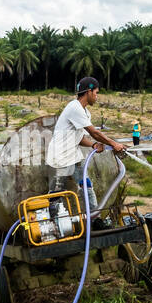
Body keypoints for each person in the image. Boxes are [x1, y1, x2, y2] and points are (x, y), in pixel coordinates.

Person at [46, 77, 126, 224]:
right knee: (56, 194)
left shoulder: (84, 112)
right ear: (88, 92)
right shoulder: (74, 107)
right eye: (96, 92)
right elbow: (94, 132)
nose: (97, 96)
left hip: (74, 155)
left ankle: (95, 218)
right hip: (60, 156)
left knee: (86, 184)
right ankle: (54, 225)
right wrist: (113, 143)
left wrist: (93, 145)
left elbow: (80, 137)